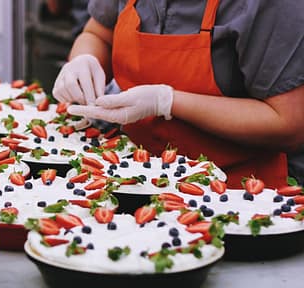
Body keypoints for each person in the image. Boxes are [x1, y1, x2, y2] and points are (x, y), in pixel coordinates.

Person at [52, 0, 304, 188]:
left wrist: (167, 101)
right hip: (133, 177)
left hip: (238, 194)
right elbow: (98, 34)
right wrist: (84, 59)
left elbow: (288, 124)